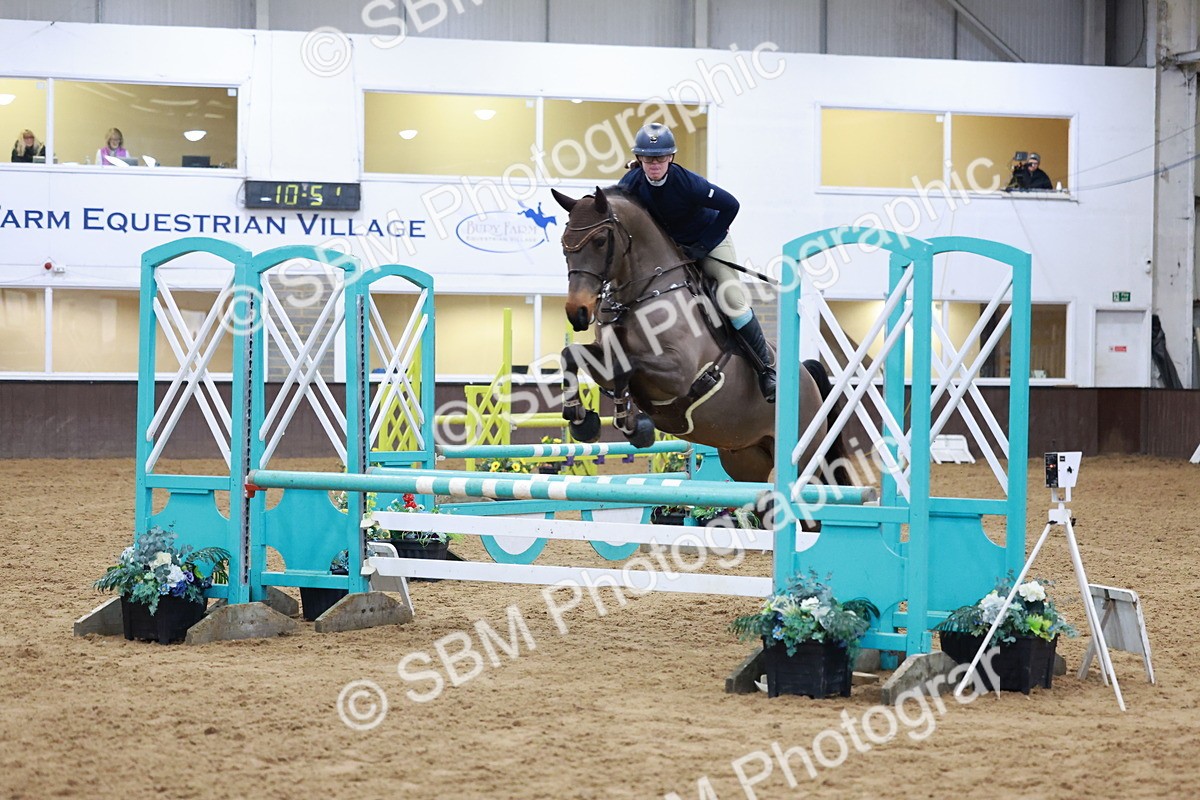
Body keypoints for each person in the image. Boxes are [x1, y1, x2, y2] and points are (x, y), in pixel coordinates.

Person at [617, 122, 776, 402]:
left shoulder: (688, 183)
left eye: (661, 157)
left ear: (671, 158)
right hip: (671, 250)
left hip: (710, 241)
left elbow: (731, 205)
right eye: (648, 158)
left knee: (732, 299)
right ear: (639, 159)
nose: (655, 164)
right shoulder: (630, 185)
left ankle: (766, 370)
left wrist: (702, 246)